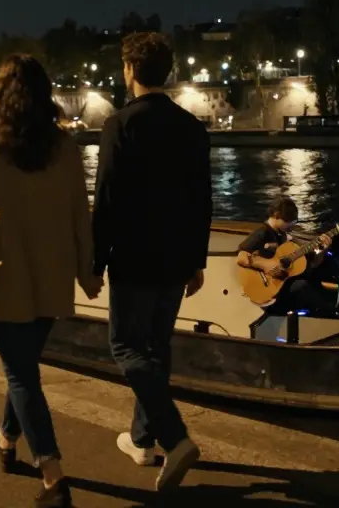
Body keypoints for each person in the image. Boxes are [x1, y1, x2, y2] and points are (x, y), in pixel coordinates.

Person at [0, 54, 102, 508]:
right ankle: (6, 438)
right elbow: (80, 217)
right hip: (51, 280)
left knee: (20, 373)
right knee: (24, 367)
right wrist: (87, 273)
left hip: (5, 278)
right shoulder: (66, 149)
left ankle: (53, 475)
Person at [93, 32, 212, 492]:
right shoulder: (191, 127)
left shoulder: (120, 125)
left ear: (128, 70)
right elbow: (203, 200)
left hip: (134, 257)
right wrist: (196, 260)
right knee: (156, 349)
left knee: (125, 347)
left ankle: (175, 436)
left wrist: (95, 260)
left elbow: (106, 200)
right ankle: (142, 441)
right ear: (169, 72)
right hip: (175, 259)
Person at [236, 197, 334, 316]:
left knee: (312, 279)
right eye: (288, 221)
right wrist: (267, 265)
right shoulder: (262, 232)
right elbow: (241, 257)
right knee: (302, 287)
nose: (291, 226)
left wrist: (322, 250)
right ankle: (326, 314)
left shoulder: (284, 235)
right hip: (269, 289)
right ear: (277, 216)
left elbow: (310, 264)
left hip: (282, 285)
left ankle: (328, 310)